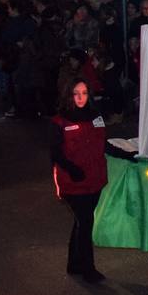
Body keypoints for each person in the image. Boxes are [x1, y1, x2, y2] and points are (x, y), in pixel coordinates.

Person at [50, 78, 109, 282]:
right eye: (76, 93)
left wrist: (128, 153)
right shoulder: (60, 121)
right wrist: (73, 170)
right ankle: (87, 268)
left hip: (95, 179)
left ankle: (75, 264)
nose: (81, 97)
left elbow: (104, 145)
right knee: (85, 221)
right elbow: (56, 153)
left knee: (82, 221)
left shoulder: (96, 117)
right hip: (73, 183)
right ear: (69, 95)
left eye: (84, 93)